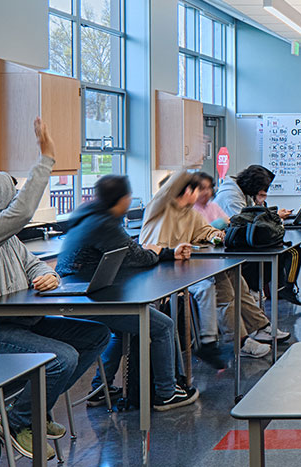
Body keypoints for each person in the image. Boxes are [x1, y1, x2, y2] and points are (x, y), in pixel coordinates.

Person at [0, 118, 113, 458]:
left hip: (8, 325)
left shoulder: (5, 239)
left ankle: (32, 411)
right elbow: (19, 214)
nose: (15, 199)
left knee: (96, 335)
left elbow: (33, 265)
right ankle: (19, 421)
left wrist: (50, 278)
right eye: (10, 195)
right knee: (61, 358)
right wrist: (46, 158)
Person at [57, 174, 198, 411]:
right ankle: (166, 392)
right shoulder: (105, 224)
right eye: (128, 196)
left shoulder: (88, 215)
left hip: (77, 294)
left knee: (120, 332)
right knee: (163, 326)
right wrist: (160, 253)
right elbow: (138, 256)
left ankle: (100, 389)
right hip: (92, 298)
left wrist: (164, 252)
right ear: (122, 199)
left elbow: (129, 253)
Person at [141, 169, 271, 365]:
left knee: (231, 277)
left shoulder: (190, 214)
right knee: (206, 287)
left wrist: (217, 236)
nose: (204, 193)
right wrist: (189, 164)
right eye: (198, 189)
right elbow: (169, 188)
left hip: (183, 268)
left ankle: (252, 331)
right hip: (158, 270)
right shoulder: (160, 208)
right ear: (186, 191)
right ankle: (210, 342)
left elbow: (205, 230)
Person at [213, 164, 301, 312]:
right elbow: (245, 222)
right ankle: (257, 290)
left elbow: (253, 218)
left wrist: (261, 205)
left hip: (235, 240)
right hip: (225, 244)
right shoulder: (231, 197)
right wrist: (273, 215)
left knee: (283, 252)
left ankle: (272, 289)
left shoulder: (241, 191)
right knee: (273, 257)